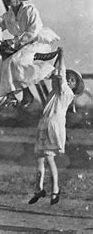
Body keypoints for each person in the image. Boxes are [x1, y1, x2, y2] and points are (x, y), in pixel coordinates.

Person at [29, 48, 84, 206]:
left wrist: (61, 56)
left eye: (72, 80)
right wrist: (58, 59)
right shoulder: (56, 91)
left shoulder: (66, 93)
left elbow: (60, 74)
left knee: (49, 158)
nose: (69, 80)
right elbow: (57, 74)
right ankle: (39, 188)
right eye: (69, 78)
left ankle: (55, 190)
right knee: (39, 158)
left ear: (74, 86)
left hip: (53, 124)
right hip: (45, 122)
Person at [0, 0, 59, 108]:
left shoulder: (30, 10)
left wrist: (13, 42)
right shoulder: (8, 15)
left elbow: (33, 32)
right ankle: (19, 93)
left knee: (16, 61)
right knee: (4, 63)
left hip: (37, 43)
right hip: (21, 46)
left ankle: (45, 74)